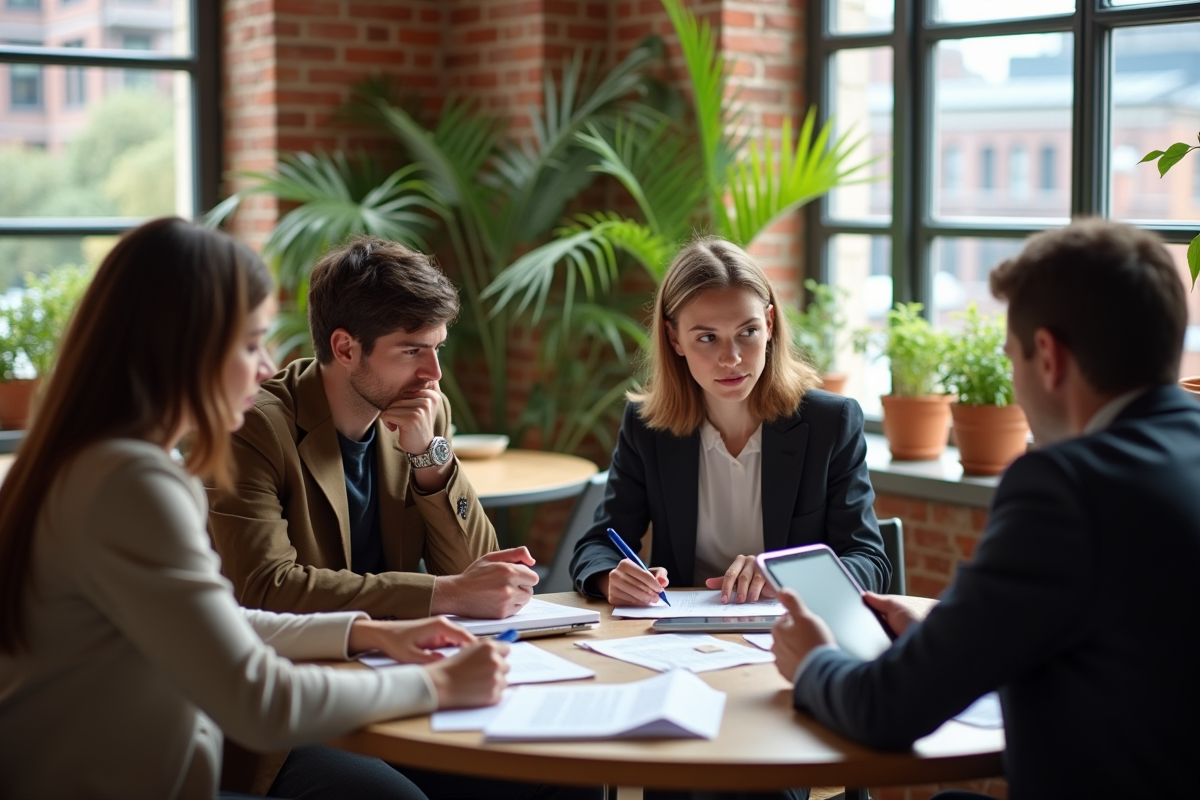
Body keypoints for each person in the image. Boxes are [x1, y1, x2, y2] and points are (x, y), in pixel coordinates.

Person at [0, 218, 511, 800]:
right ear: (181, 348)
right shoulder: (133, 482)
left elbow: (223, 619)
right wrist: (437, 685)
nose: (268, 365)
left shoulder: (99, 461)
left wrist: (368, 635)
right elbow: (257, 696)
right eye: (249, 344)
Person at [771, 219, 1199, 800]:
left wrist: (814, 660)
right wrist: (949, 644)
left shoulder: (1065, 488)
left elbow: (884, 713)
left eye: (1011, 358)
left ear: (1047, 356)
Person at [205, 236, 539, 624]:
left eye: (437, 348)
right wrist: (443, 594)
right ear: (345, 348)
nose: (435, 374)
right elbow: (263, 588)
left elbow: (474, 571)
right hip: (295, 670)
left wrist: (430, 459)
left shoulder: (427, 411)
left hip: (397, 657)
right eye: (412, 351)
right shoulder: (251, 427)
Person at [570, 237, 890, 608]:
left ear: (769, 325)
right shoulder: (647, 428)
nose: (732, 358)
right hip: (681, 639)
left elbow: (869, 562)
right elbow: (597, 546)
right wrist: (612, 578)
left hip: (795, 635)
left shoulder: (829, 424)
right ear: (675, 339)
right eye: (707, 338)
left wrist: (787, 576)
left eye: (747, 332)